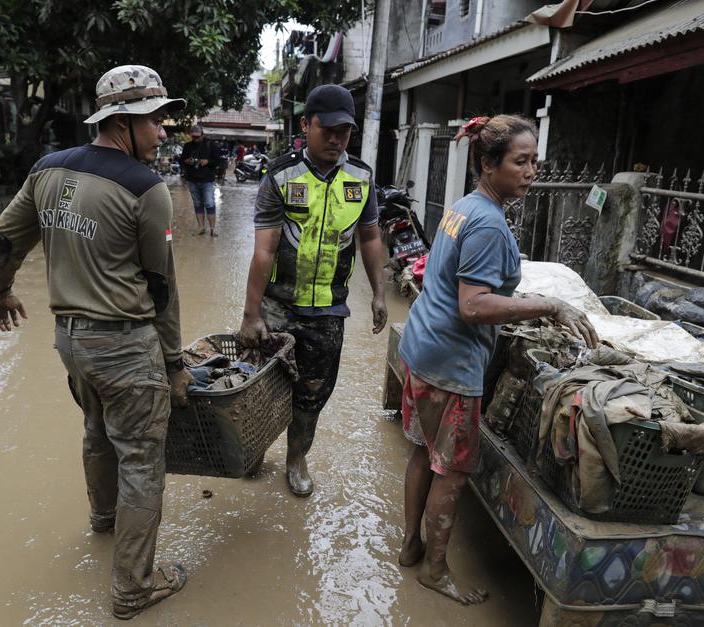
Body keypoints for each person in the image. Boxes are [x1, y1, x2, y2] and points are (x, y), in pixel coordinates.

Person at [0, 64, 193, 621]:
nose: (164, 131)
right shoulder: (146, 189)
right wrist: (174, 365)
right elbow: (161, 289)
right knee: (144, 462)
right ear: (125, 122)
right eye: (157, 120)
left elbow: (3, 238)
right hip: (125, 345)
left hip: (70, 342)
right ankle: (131, 588)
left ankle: (103, 522)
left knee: (96, 432)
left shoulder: (47, 170)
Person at [397, 114, 599, 605]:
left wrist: (524, 303)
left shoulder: (465, 207)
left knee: (425, 451)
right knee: (454, 469)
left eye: (535, 162)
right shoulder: (488, 223)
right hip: (452, 361)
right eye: (520, 161)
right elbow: (473, 305)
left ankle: (410, 548)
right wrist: (548, 304)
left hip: (423, 346)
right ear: (489, 165)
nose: (531, 172)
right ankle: (435, 571)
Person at [238, 84, 388, 497]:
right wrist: (251, 315)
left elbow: (371, 237)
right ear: (306, 125)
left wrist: (378, 293)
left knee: (312, 394)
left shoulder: (361, 177)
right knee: (260, 388)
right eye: (329, 130)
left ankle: (296, 459)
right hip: (279, 307)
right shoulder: (281, 175)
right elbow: (264, 249)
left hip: (328, 313)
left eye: (345, 131)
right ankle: (252, 452)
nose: (337, 140)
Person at [180, 125, 218, 236]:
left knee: (209, 203)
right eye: (194, 137)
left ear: (202, 135)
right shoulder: (187, 146)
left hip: (207, 180)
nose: (196, 139)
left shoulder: (210, 145)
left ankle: (213, 229)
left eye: (198, 137)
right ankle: (201, 228)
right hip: (192, 179)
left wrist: (207, 162)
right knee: (197, 204)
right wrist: (187, 161)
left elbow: (218, 161)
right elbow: (182, 160)